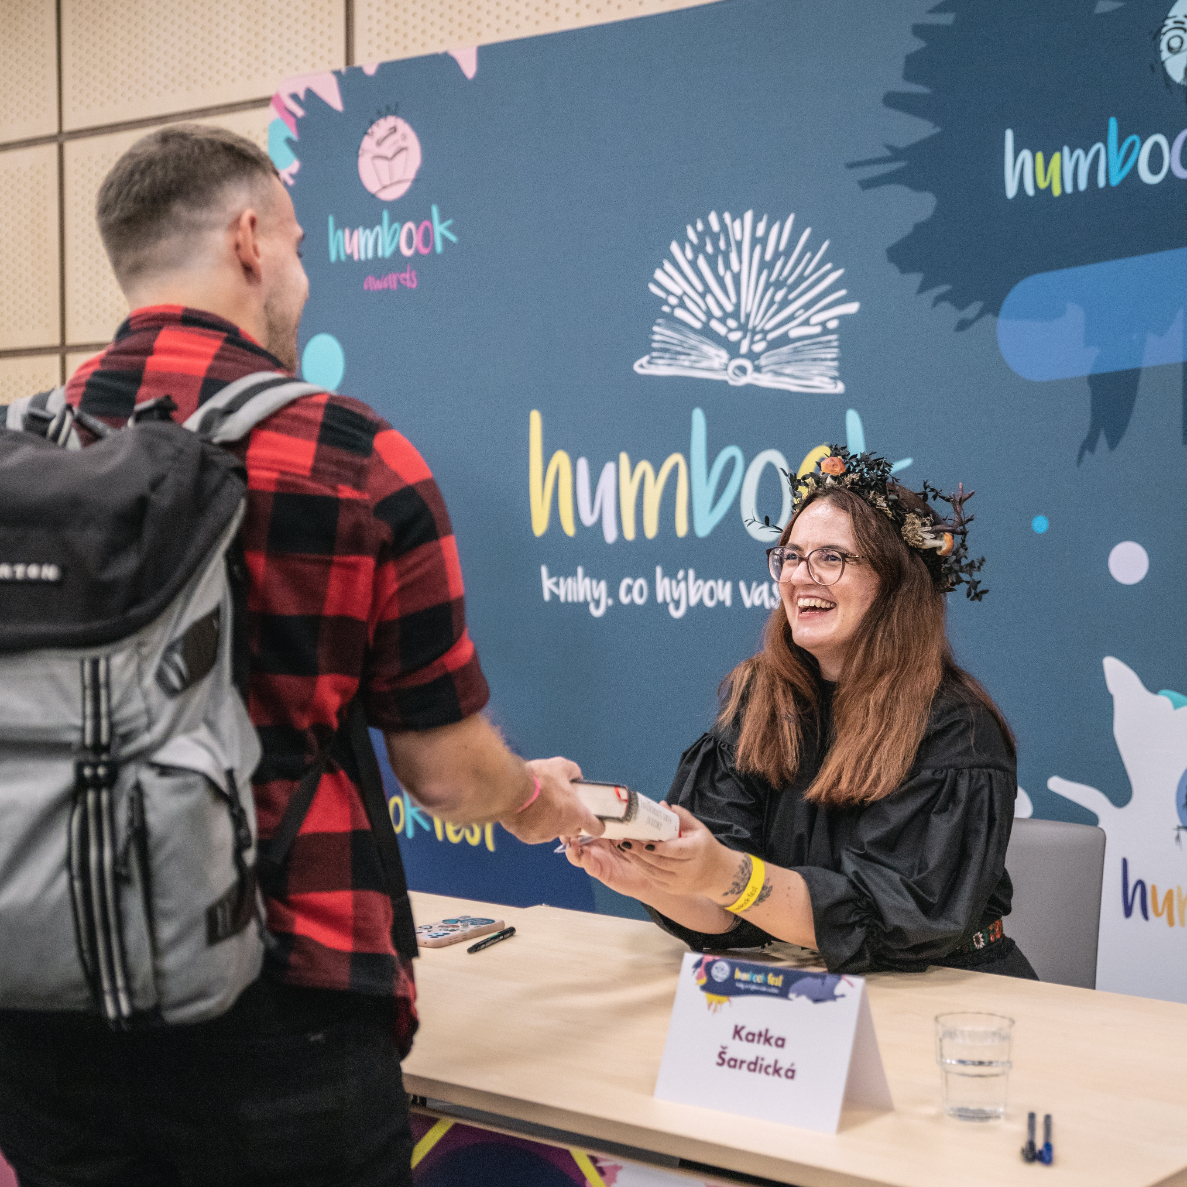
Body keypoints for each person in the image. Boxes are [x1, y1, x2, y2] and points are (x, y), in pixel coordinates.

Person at [0, 124, 602, 1187]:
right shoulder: (350, 454)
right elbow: (444, 773)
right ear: (249, 240)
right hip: (281, 997)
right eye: (298, 243)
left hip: (41, 995)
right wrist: (529, 798)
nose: (304, 275)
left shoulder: (15, 450)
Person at [567, 448, 1037, 980]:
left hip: (950, 988)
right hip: (808, 981)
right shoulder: (760, 699)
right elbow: (731, 915)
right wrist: (650, 879)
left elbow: (884, 922)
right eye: (790, 556)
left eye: (831, 557)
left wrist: (724, 874)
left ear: (896, 584)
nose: (798, 577)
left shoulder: (957, 729)